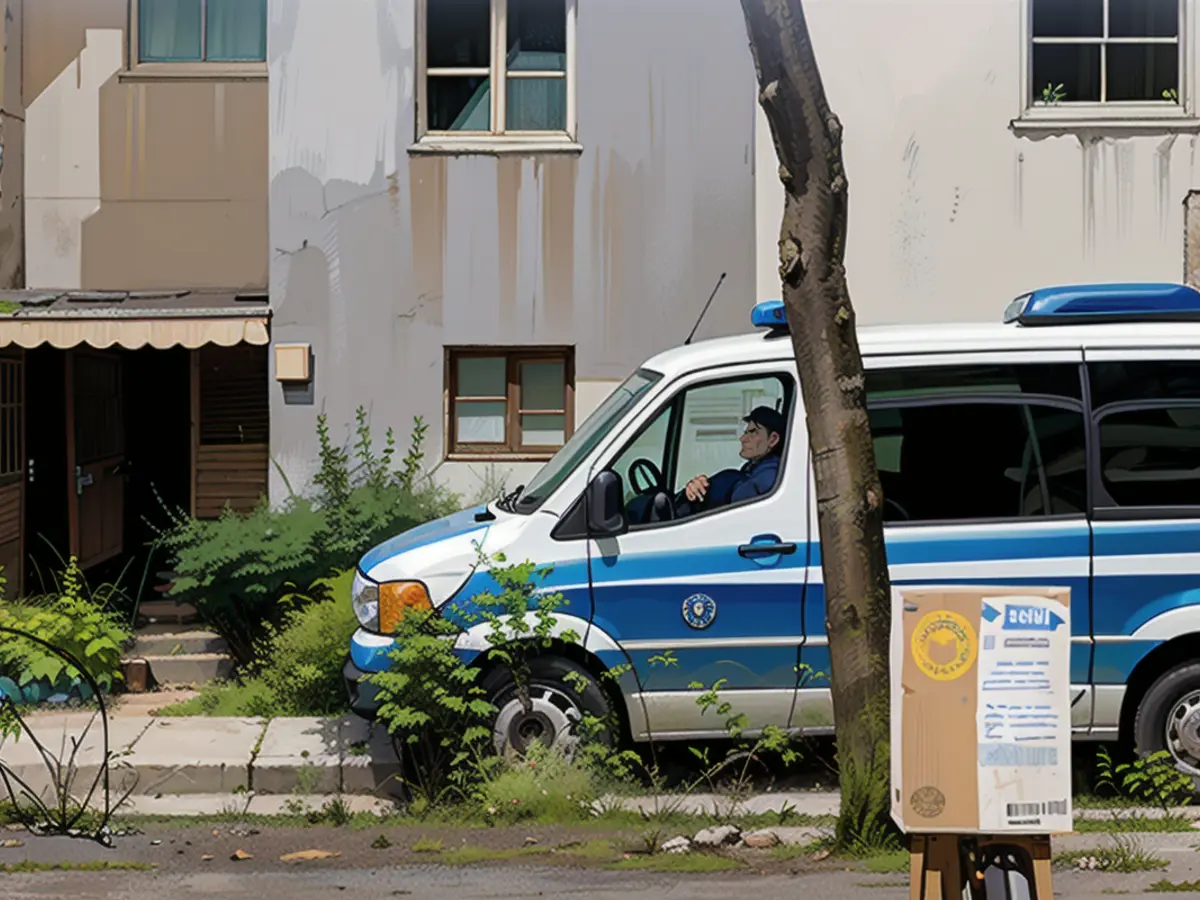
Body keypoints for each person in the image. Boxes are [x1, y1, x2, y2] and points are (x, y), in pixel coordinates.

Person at [677, 405, 786, 514]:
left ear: (773, 439)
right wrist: (697, 489)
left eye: (753, 432)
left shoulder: (771, 474)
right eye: (745, 433)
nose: (743, 439)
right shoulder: (752, 469)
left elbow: (740, 501)